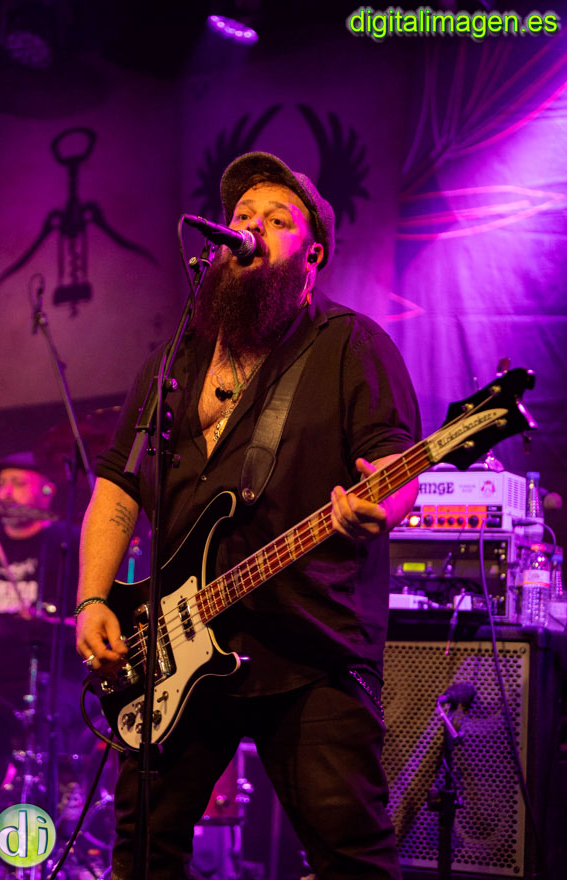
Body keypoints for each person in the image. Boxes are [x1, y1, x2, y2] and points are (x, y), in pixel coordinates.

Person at [75, 151, 421, 880]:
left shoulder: (351, 345)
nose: (251, 228)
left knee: (350, 854)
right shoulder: (175, 360)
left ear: (313, 256)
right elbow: (118, 487)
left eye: (277, 220)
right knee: (142, 852)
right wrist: (92, 599)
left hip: (310, 647)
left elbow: (394, 468)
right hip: (174, 645)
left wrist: (379, 507)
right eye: (240, 216)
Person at [0, 451, 79, 824]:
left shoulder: (68, 544)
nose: (5, 492)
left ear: (47, 491)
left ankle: (57, 809)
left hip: (48, 677)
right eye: (2, 484)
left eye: (18, 483)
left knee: (53, 715)